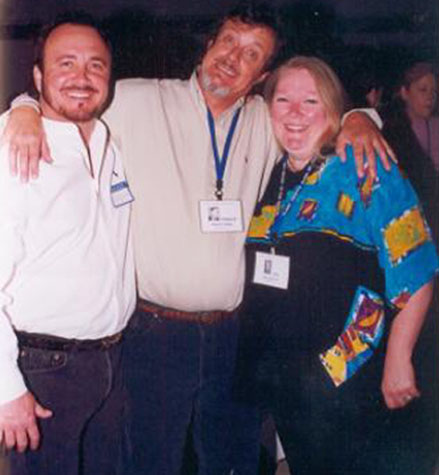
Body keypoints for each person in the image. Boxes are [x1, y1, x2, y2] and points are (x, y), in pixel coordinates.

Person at [2, 5, 393, 474]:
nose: (232, 58)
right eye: (227, 41)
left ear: (262, 76)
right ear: (208, 45)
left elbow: (316, 116)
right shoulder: (134, 101)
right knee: (150, 460)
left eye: (251, 54)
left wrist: (359, 118)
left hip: (235, 332)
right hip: (154, 334)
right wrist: (22, 109)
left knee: (233, 458)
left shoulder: (267, 121)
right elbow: (69, 98)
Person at [236, 56, 438, 474]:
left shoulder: (366, 167)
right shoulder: (275, 173)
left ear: (333, 109)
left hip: (346, 374)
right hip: (286, 377)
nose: (295, 113)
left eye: (310, 101)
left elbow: (416, 267)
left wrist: (399, 359)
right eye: (283, 100)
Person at [0, 19, 135, 475]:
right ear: (38, 77)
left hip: (109, 363)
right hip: (41, 371)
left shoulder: (107, 141)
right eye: (66, 64)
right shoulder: (11, 147)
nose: (82, 77)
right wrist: (7, 390)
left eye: (96, 65)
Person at [383, 62, 438, 240]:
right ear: (404, 93)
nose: (430, 97)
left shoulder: (435, 126)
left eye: (434, 92)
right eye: (423, 90)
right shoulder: (390, 130)